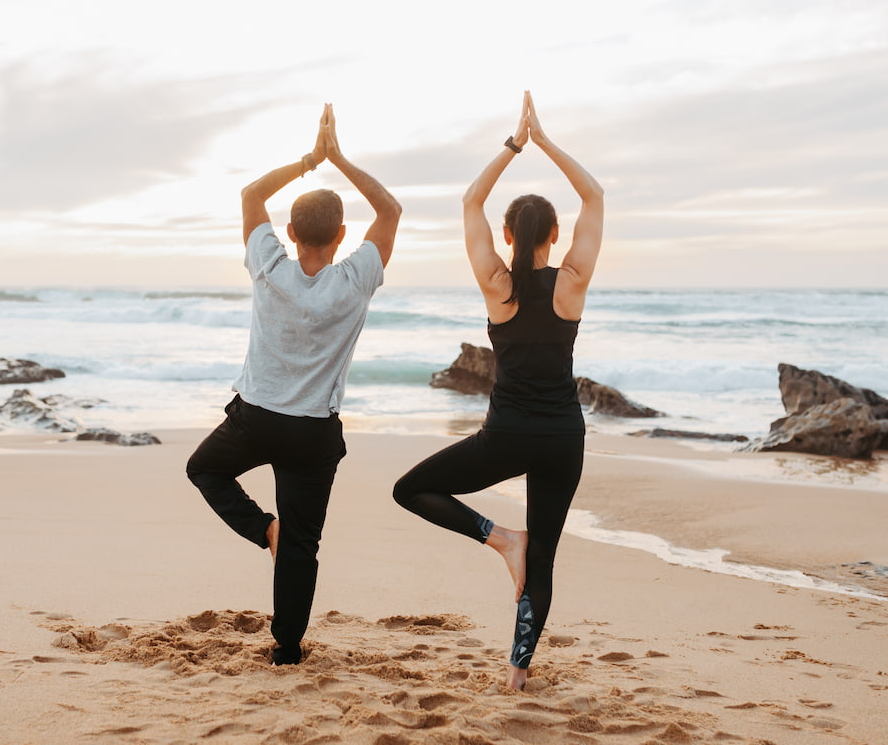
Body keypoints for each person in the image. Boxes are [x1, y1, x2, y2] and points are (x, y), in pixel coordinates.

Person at [393, 91, 604, 690]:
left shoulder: (497, 285)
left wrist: (515, 145)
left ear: (509, 232)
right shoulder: (572, 282)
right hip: (563, 437)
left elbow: (469, 201)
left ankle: (499, 537)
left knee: (412, 489)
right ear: (556, 234)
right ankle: (516, 674)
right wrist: (547, 141)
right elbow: (596, 195)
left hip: (506, 436)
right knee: (544, 560)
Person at [186, 104, 402, 666]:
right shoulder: (356, 281)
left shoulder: (269, 267)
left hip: (256, 419)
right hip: (312, 432)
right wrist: (340, 159)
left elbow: (251, 195)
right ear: (343, 235)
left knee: (204, 469)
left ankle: (265, 530)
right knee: (303, 545)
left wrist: (309, 160)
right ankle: (286, 650)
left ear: (288, 232)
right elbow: (391, 208)